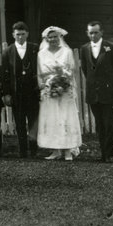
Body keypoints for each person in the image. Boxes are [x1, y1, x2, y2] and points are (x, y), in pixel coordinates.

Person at [36, 26, 82, 161]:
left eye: (55, 37)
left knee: (65, 119)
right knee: (52, 120)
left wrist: (64, 83)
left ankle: (68, 151)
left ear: (60, 37)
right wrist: (46, 86)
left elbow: (71, 70)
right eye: (50, 37)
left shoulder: (67, 52)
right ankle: (55, 150)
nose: (53, 39)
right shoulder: (41, 54)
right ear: (46, 39)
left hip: (64, 90)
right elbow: (40, 73)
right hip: (49, 91)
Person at [80, 20, 113, 162]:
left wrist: (111, 84)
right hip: (93, 93)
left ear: (101, 32)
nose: (93, 35)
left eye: (96, 32)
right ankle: (103, 152)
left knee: (109, 124)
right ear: (87, 33)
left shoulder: (110, 47)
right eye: (90, 33)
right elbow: (86, 70)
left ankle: (109, 154)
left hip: (108, 92)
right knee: (99, 124)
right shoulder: (84, 49)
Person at [1, 21, 40, 158]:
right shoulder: (8, 51)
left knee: (34, 122)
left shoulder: (35, 48)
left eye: (23, 34)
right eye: (18, 35)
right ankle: (23, 151)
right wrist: (6, 93)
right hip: (17, 93)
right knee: (20, 123)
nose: (20, 37)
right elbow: (5, 74)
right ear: (13, 35)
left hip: (32, 92)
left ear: (27, 34)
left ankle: (34, 151)